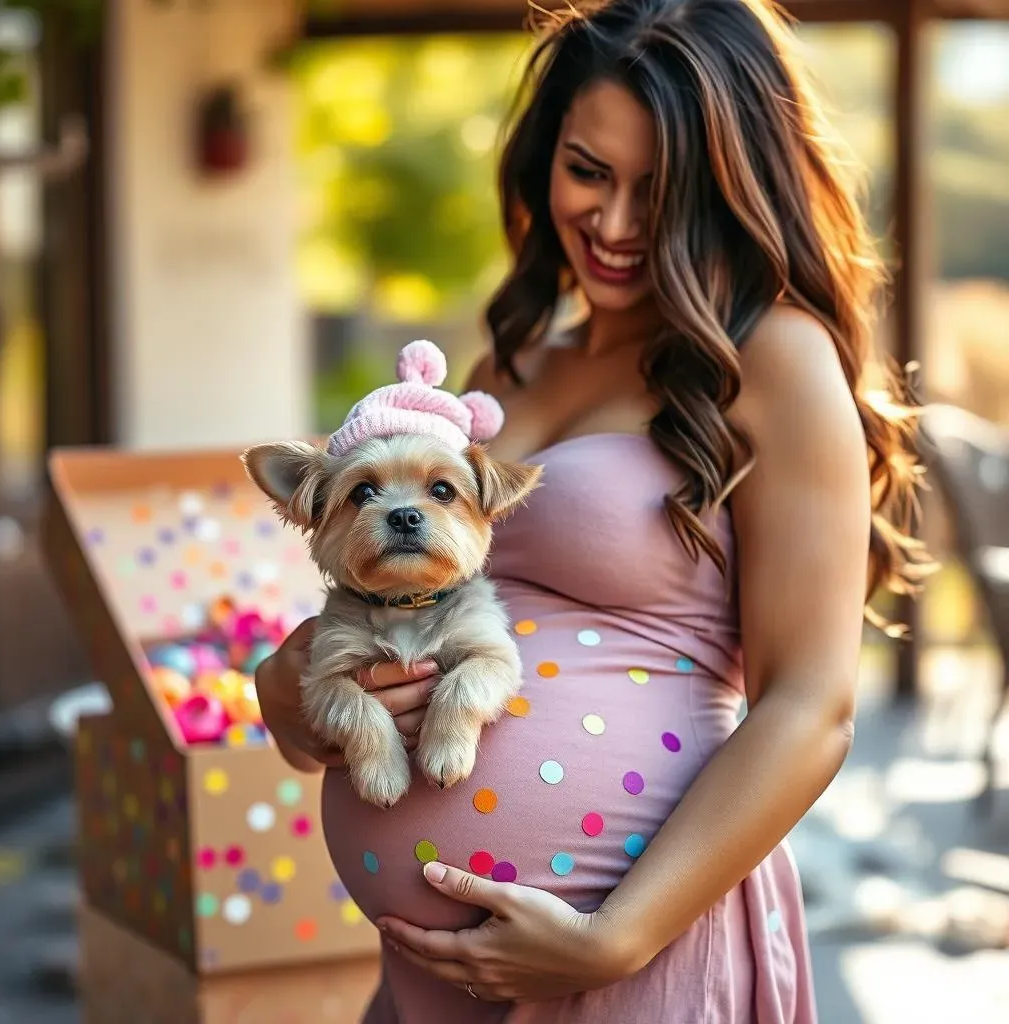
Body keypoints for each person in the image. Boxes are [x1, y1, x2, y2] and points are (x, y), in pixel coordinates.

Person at [255, 1, 930, 1020]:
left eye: (658, 191)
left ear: (729, 185)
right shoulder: (508, 363)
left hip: (636, 954)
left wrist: (614, 937)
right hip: (435, 978)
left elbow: (811, 705)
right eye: (587, 171)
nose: (613, 225)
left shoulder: (773, 360)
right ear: (543, 157)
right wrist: (288, 694)